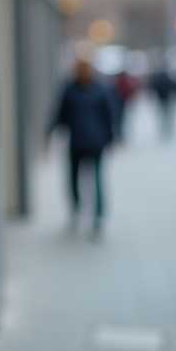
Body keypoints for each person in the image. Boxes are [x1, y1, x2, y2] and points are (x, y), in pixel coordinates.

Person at [49, 58, 117, 237]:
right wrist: (49, 133)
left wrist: (112, 139)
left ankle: (96, 216)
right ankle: (80, 210)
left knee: (95, 180)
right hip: (80, 142)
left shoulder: (99, 90)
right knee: (76, 179)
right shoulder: (71, 90)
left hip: (93, 143)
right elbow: (60, 114)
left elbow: (109, 116)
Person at [151, 64, 175, 139]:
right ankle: (167, 125)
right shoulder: (168, 77)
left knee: (163, 112)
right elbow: (171, 86)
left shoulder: (158, 78)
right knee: (167, 112)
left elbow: (155, 86)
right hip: (166, 97)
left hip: (161, 97)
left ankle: (164, 125)